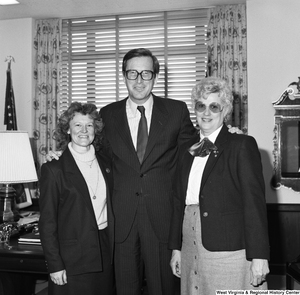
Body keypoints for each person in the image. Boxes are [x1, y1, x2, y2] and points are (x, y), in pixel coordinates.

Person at [99, 48, 197, 295]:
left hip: (162, 219)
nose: (139, 80)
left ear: (155, 76)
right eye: (132, 73)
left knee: (163, 289)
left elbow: (194, 152)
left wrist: (227, 140)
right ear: (124, 76)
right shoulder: (107, 115)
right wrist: (61, 154)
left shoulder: (176, 111)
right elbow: (96, 156)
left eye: (146, 73)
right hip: (122, 221)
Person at [168, 77, 270, 294]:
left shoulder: (241, 144)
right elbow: (179, 200)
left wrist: (259, 255)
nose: (206, 112)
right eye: (201, 106)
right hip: (190, 245)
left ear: (225, 111)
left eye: (214, 106)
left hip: (229, 251)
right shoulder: (188, 149)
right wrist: (176, 248)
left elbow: (254, 203)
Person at [39, 102, 115, 295]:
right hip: (71, 261)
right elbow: (47, 222)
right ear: (67, 129)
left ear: (95, 129)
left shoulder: (107, 162)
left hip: (104, 254)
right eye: (77, 125)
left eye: (89, 125)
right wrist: (55, 265)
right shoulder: (54, 168)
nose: (84, 130)